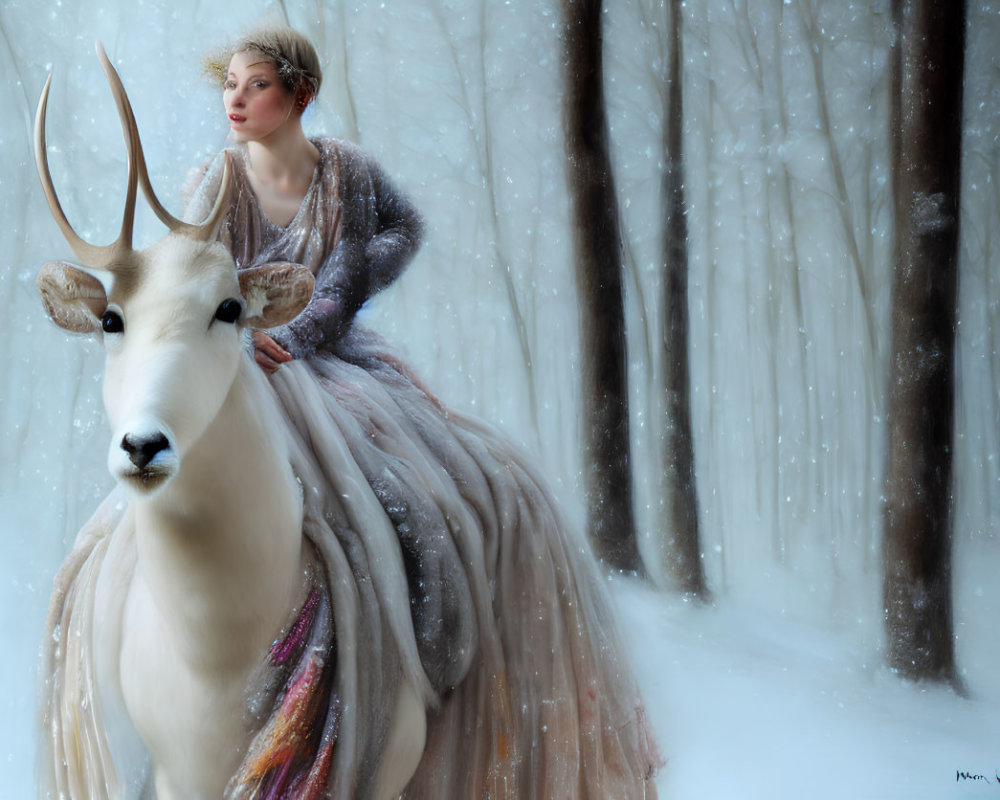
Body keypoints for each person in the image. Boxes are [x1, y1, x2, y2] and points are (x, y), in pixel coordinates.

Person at [47, 27, 661, 798]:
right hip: (239, 360)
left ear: (299, 95)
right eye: (229, 84)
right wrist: (232, 323)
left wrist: (327, 303)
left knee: (426, 485)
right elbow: (186, 271)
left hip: (331, 365)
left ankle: (423, 652)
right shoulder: (215, 179)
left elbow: (387, 243)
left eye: (256, 84)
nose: (236, 98)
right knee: (130, 521)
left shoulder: (346, 173)